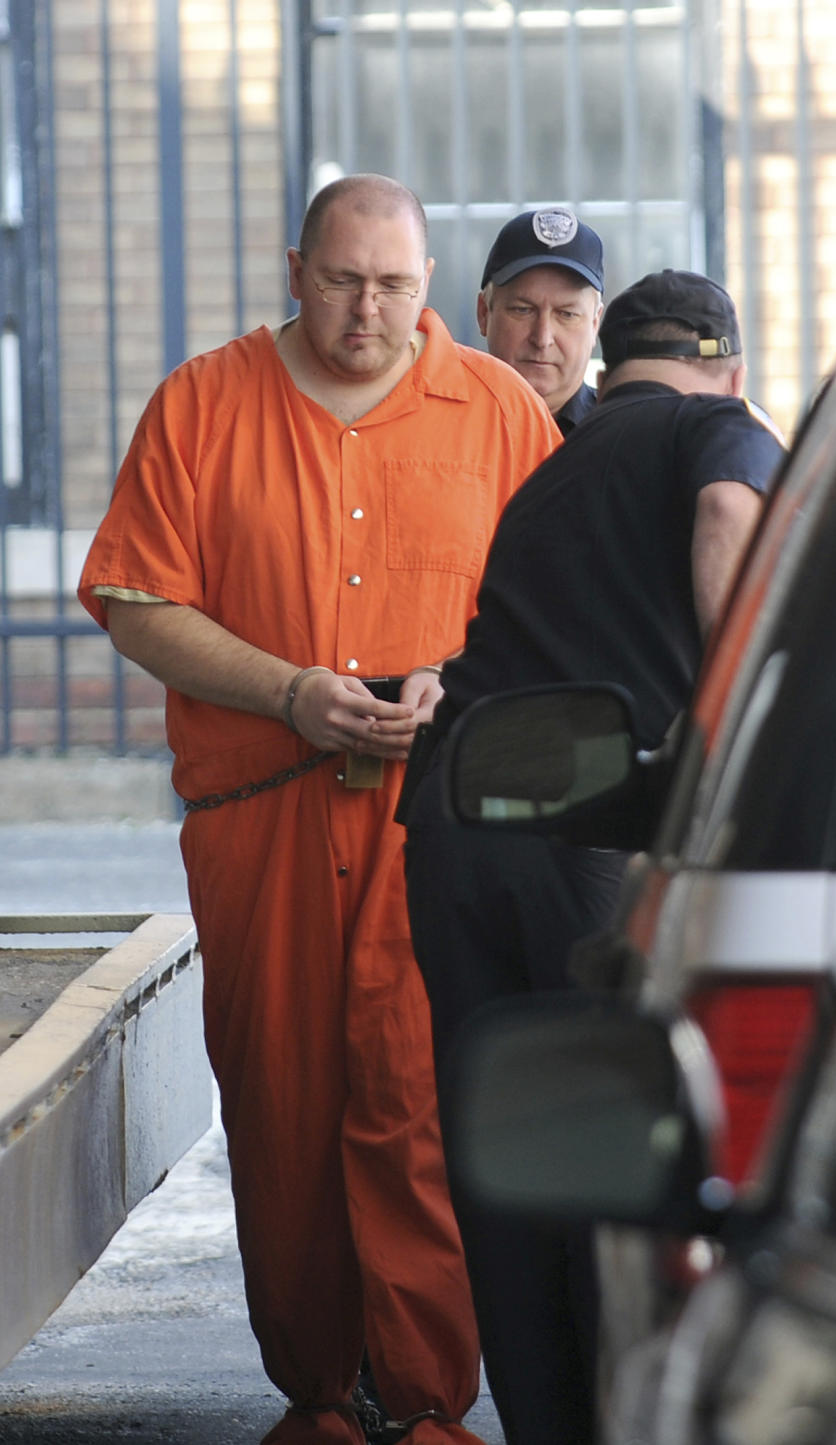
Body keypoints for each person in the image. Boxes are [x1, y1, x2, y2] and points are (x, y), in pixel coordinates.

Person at [77, 173, 561, 1445]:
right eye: (343, 280)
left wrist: (458, 682)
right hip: (265, 813)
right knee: (281, 1097)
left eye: (395, 286)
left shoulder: (502, 413)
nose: (368, 310)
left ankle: (426, 1401)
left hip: (438, 819)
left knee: (418, 1099)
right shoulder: (202, 404)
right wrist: (291, 691)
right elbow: (134, 596)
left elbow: (557, 605)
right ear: (295, 267)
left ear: (429, 289)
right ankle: (316, 1391)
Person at [402, 269, 786, 1445]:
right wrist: (743, 733)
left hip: (454, 830)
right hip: (586, 824)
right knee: (606, 1164)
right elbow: (730, 518)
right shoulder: (712, 422)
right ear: (725, 366)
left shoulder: (558, 466)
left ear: (608, 366)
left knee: (507, 1159)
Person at [477, 207, 604, 434]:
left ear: (595, 324)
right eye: (523, 310)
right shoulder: (443, 429)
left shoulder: (623, 436)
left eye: (567, 314)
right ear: (484, 313)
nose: (543, 338)